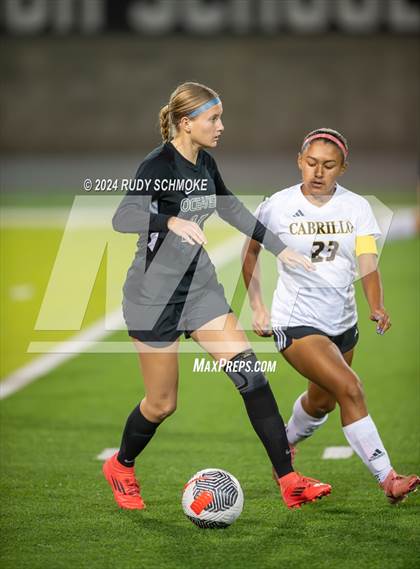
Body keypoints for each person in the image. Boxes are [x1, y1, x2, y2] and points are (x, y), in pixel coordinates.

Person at [102, 83, 331, 511]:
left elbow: (230, 208)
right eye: (214, 119)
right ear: (186, 123)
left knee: (252, 377)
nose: (221, 126)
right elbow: (123, 216)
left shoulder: (205, 162)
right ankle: (121, 465)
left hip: (200, 290)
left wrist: (280, 247)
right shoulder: (157, 165)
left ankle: (289, 480)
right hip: (153, 298)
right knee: (162, 404)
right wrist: (170, 222)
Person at [242, 128, 420, 504]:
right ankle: (388, 478)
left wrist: (376, 305)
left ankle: (283, 446)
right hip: (296, 322)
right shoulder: (277, 205)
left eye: (328, 165)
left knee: (321, 403)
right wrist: (257, 306)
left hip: (343, 324)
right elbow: (251, 252)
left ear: (342, 168)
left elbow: (367, 260)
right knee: (350, 388)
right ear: (299, 162)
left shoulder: (357, 207)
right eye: (311, 163)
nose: (318, 172)